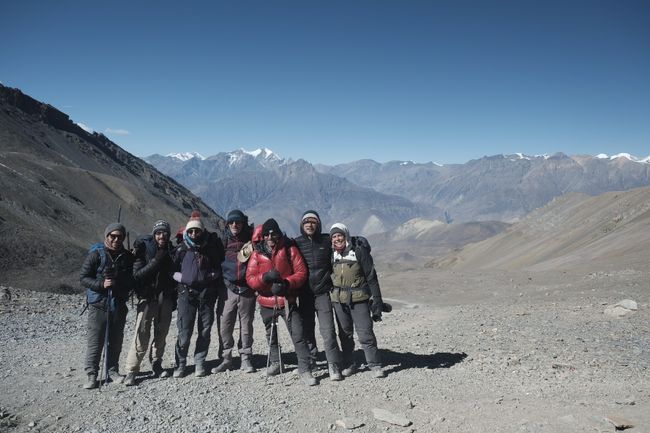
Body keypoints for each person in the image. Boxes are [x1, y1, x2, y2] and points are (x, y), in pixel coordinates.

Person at [246, 218, 317, 386]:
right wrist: (264, 278)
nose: (270, 238)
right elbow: (250, 278)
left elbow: (301, 273)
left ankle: (305, 369)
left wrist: (286, 283)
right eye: (267, 235)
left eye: (274, 234)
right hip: (266, 301)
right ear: (263, 237)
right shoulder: (257, 254)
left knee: (298, 334)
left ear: (279, 234)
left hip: (287, 300)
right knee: (271, 335)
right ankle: (276, 363)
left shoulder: (289, 248)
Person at [80, 223, 135, 389]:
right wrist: (102, 284)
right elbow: (83, 278)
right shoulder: (96, 255)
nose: (116, 239)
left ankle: (112, 371)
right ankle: (92, 374)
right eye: (113, 236)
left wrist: (118, 278)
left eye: (120, 237)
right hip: (99, 304)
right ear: (107, 236)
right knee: (95, 341)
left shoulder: (127, 257)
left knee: (116, 341)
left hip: (118, 303)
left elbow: (132, 280)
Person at [171, 211, 224, 378]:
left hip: (207, 295)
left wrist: (211, 276)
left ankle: (200, 362)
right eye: (191, 231)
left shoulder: (211, 248)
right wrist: (183, 278)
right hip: (186, 294)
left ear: (202, 231)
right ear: (186, 232)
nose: (194, 234)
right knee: (184, 332)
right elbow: (172, 271)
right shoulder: (181, 249)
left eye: (197, 231)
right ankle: (180, 364)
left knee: (205, 331)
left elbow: (219, 267)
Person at [329, 223, 386, 378]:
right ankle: (349, 364)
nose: (337, 239)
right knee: (345, 334)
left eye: (339, 235)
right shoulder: (332, 254)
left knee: (365, 333)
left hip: (359, 299)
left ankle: (375, 365)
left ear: (346, 235)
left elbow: (371, 277)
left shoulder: (358, 251)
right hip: (339, 301)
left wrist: (377, 301)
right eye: (334, 236)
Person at [123, 220, 176, 386]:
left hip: (165, 298)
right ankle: (131, 370)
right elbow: (137, 275)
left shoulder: (171, 250)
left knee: (162, 333)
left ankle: (157, 364)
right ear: (154, 234)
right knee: (141, 334)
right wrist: (155, 262)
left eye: (165, 233)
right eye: (159, 233)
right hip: (147, 298)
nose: (162, 236)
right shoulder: (144, 250)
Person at [294, 210, 343, 381]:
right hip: (304, 295)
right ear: (301, 225)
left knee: (328, 331)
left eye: (313, 221)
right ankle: (312, 361)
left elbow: (340, 249)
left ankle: (333, 364)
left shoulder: (326, 241)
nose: (309, 224)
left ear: (318, 224)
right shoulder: (296, 243)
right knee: (307, 331)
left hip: (323, 293)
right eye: (306, 221)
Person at [212, 209, 257, 374]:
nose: (234, 225)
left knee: (246, 326)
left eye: (237, 222)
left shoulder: (251, 240)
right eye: (231, 222)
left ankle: (246, 358)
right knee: (225, 324)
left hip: (247, 288)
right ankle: (226, 358)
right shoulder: (222, 242)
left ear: (243, 223)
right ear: (227, 224)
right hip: (227, 287)